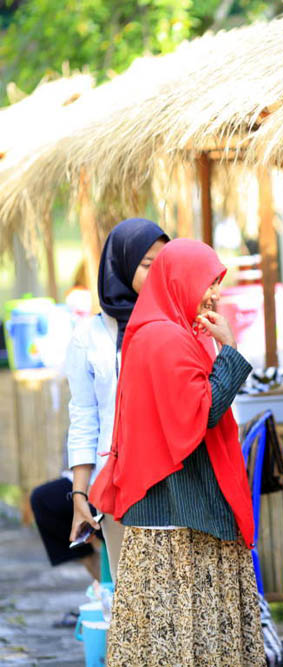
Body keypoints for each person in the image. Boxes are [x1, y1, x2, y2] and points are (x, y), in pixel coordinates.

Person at [90, 238, 264, 666]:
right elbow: (200, 415)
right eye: (208, 282)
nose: (215, 294)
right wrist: (230, 351)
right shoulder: (165, 337)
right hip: (179, 511)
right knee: (191, 636)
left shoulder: (160, 331)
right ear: (180, 280)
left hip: (169, 508)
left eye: (217, 283)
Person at [29, 219, 167, 616]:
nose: (157, 273)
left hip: (173, 481)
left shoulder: (177, 324)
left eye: (164, 264)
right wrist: (79, 495)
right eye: (147, 264)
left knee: (173, 601)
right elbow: (85, 419)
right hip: (116, 484)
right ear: (121, 265)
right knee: (134, 603)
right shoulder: (89, 336)